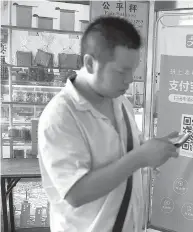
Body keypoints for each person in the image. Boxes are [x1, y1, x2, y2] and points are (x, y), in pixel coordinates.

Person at [38, 16, 179, 232]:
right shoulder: (61, 116)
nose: (130, 79)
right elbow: (75, 193)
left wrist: (152, 150)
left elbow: (126, 153)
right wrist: (140, 158)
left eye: (133, 70)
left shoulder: (120, 102)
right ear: (89, 63)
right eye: (122, 71)